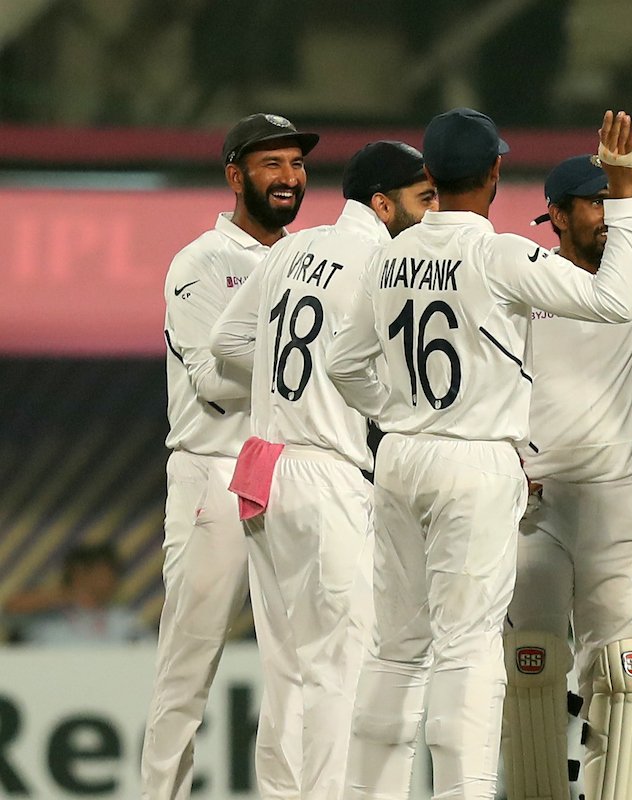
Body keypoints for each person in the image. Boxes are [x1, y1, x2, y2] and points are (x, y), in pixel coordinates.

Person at [326, 107, 632, 800]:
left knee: (394, 650)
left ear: (430, 174)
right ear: (496, 171)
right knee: (467, 650)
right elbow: (616, 301)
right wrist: (623, 199)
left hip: (401, 456)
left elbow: (343, 364)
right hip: (476, 460)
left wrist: (400, 414)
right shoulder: (499, 254)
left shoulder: (388, 255)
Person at [210, 140, 437, 799]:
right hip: (326, 470)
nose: (433, 212)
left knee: (287, 668)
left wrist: (285, 382)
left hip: (263, 466)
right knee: (343, 664)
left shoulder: (293, 248)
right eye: (424, 199)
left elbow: (226, 340)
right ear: (384, 204)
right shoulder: (386, 264)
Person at [501, 153, 632, 800]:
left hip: (619, 501)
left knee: (624, 678)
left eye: (617, 200)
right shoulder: (526, 284)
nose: (611, 214)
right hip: (536, 503)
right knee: (531, 672)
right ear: (556, 215)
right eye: (596, 202)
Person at [145, 112, 315, 800]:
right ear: (235, 176)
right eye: (272, 163)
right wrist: (304, 364)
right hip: (213, 470)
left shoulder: (307, 262)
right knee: (188, 666)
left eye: (296, 163)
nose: (289, 176)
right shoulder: (202, 261)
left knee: (295, 666)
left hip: (288, 472)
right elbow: (211, 382)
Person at [4, 543, 150, 645]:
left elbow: (150, 650)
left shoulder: (122, 619)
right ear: (78, 572)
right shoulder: (46, 617)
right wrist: (66, 594)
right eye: (103, 571)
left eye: (113, 573)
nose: (111, 579)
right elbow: (11, 608)